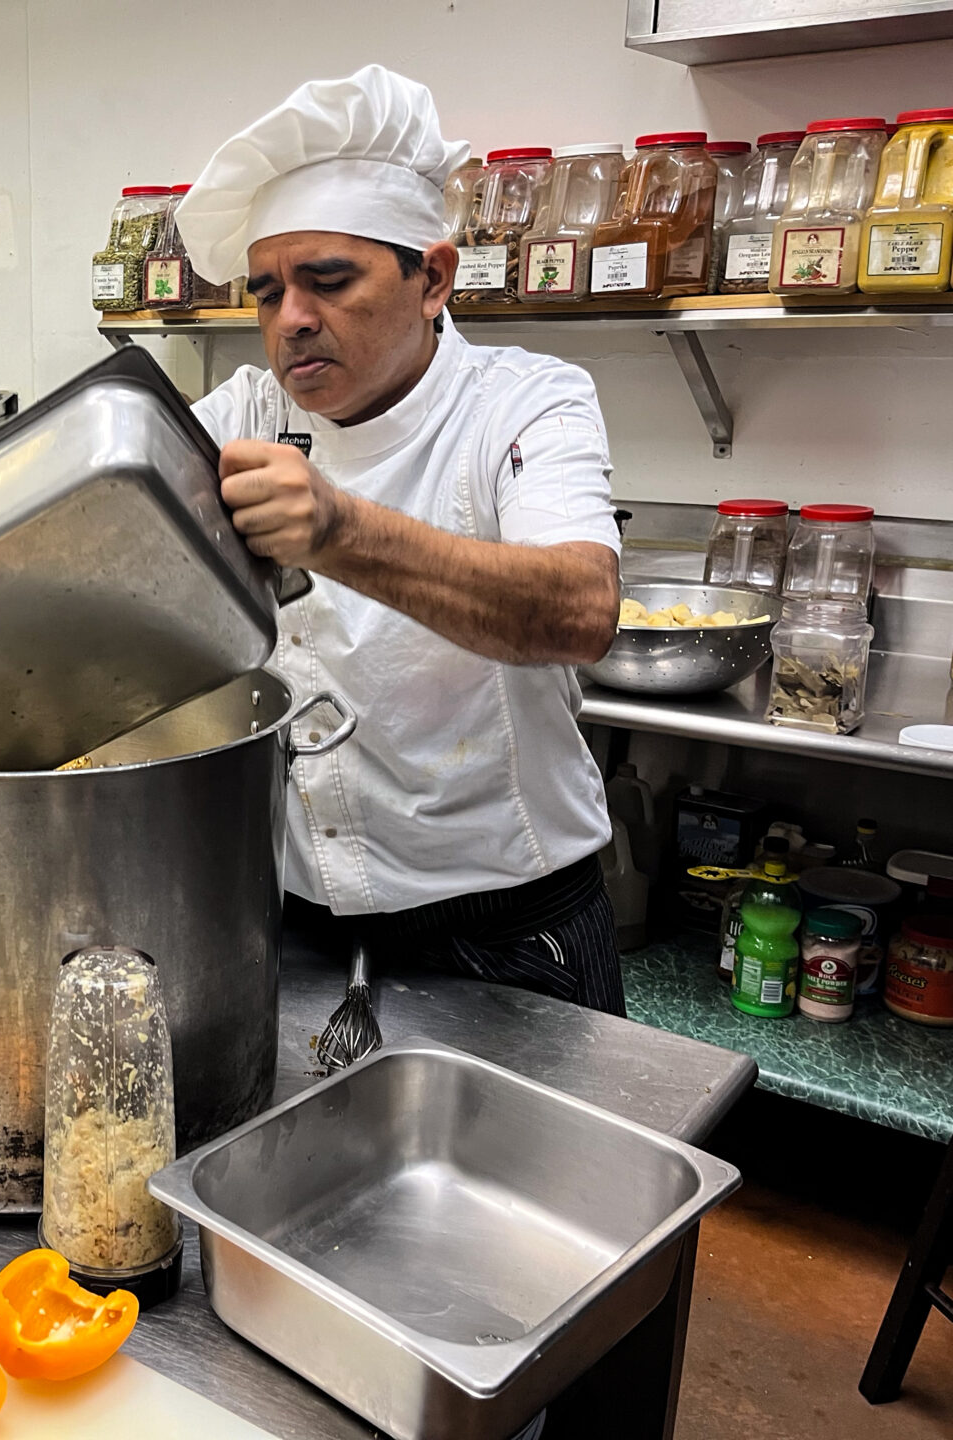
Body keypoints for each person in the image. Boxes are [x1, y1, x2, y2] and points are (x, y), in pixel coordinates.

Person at [175, 66, 626, 1014]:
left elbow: (578, 612)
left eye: (328, 281)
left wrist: (340, 530)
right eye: (265, 293)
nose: (291, 319)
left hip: (508, 934)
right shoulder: (245, 411)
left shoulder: (526, 403)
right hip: (297, 918)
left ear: (435, 278)